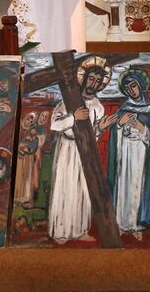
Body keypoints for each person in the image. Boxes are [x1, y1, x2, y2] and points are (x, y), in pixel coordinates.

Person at [47, 56, 120, 244]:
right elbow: (54, 125)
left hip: (85, 152)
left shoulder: (98, 106)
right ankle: (60, 232)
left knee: (84, 190)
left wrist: (100, 129)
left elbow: (93, 135)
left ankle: (80, 230)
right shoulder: (68, 100)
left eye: (97, 81)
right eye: (91, 78)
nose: (93, 83)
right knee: (64, 188)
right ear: (84, 78)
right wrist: (74, 117)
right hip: (67, 149)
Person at [109, 69, 150, 239]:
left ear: (141, 86)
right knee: (123, 184)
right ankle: (122, 223)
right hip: (124, 151)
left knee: (138, 185)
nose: (132, 90)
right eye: (128, 88)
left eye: (134, 86)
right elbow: (115, 128)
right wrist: (119, 125)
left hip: (142, 153)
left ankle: (137, 224)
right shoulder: (124, 107)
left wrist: (145, 129)